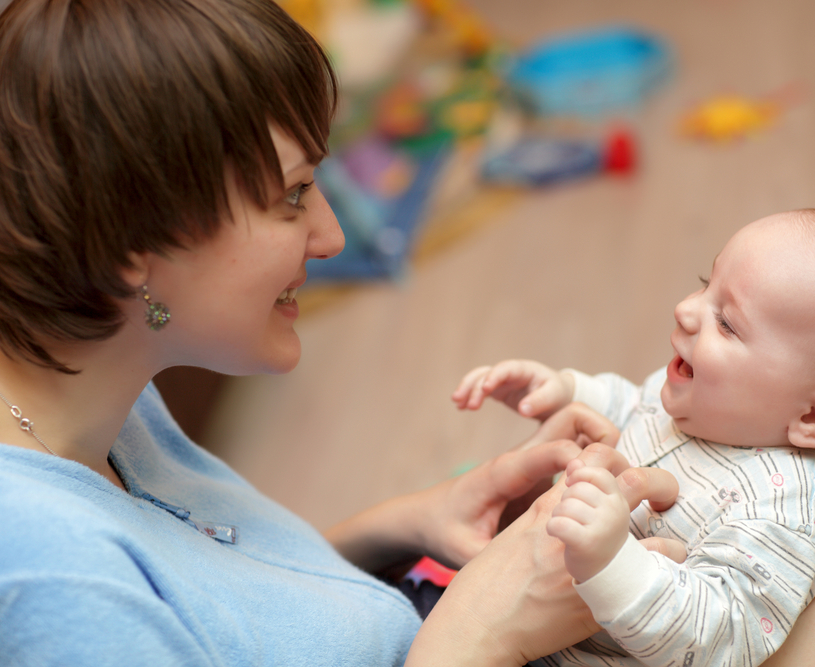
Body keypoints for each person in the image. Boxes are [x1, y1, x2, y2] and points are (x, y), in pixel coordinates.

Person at [0, 1, 685, 665]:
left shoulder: (90, 384)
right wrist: (484, 630)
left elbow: (231, 624)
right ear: (130, 244)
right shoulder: (54, 580)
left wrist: (408, 521)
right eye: (292, 196)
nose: (329, 235)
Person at [452, 209, 815, 666]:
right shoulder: (703, 401)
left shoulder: (779, 513)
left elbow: (718, 637)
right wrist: (564, 389)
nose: (686, 310)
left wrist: (611, 563)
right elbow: (632, 405)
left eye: (727, 323)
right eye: (704, 284)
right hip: (508, 600)